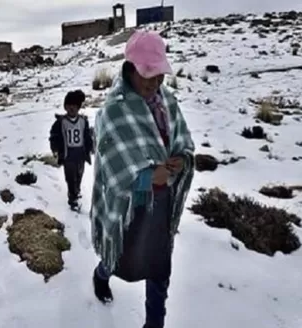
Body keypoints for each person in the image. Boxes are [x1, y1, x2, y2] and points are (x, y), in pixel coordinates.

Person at [90, 31, 195, 328]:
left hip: (162, 202)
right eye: (147, 74)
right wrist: (149, 176)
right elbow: (113, 172)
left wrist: (181, 160)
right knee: (120, 252)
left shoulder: (167, 101)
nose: (154, 82)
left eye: (159, 74)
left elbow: (183, 141)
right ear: (130, 68)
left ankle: (154, 323)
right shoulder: (113, 110)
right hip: (130, 205)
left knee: (160, 266)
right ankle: (101, 274)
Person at [49, 89, 94, 211]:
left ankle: (76, 190)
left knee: (79, 174)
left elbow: (87, 137)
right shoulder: (60, 122)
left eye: (74, 106)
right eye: (68, 106)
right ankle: (72, 198)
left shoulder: (83, 121)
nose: (71, 108)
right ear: (65, 107)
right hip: (68, 154)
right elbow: (54, 137)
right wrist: (55, 149)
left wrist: (90, 147)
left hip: (80, 153)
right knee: (70, 177)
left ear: (78, 107)